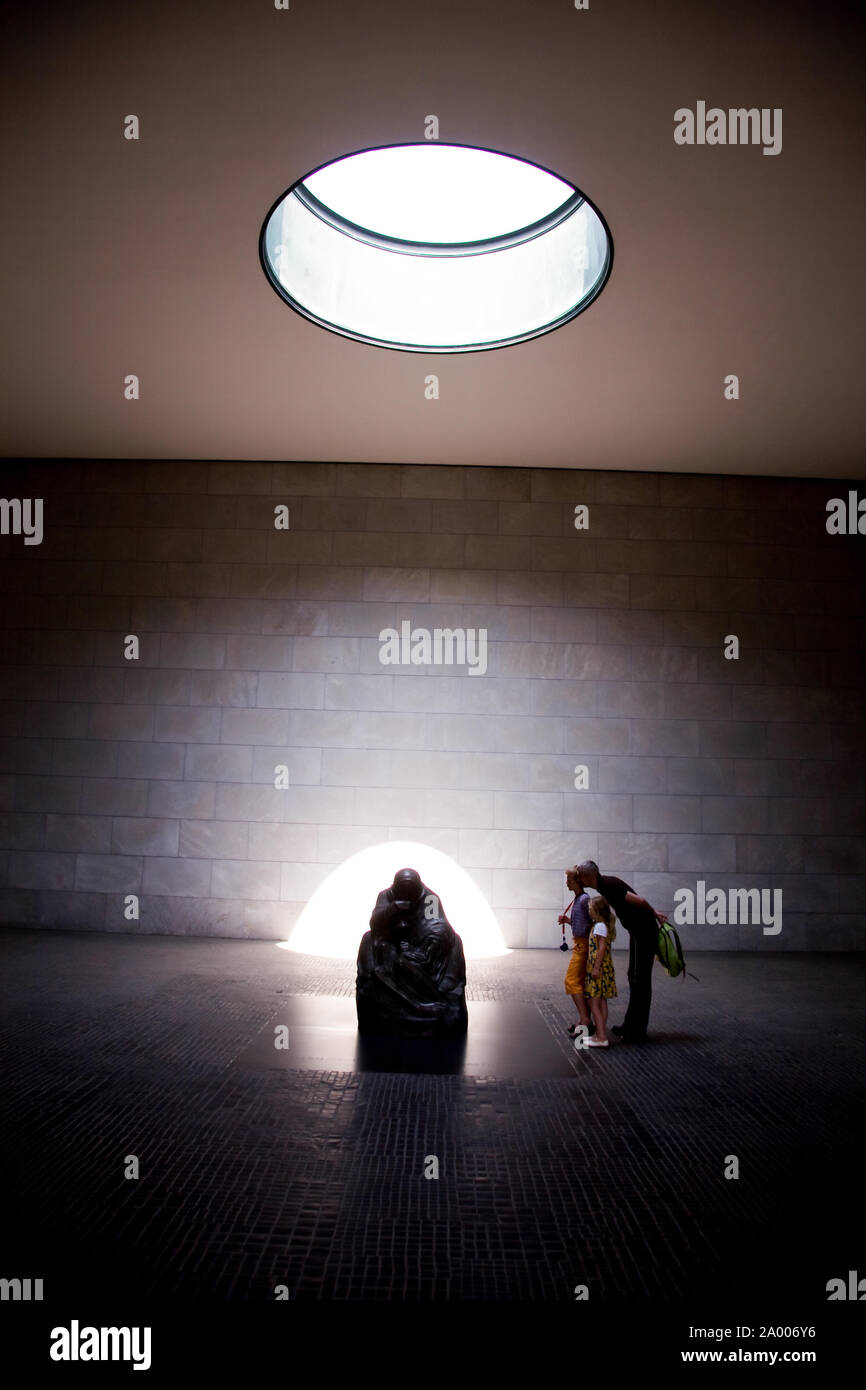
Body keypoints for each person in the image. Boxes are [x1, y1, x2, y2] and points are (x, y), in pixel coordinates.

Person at [356, 867, 468, 1036]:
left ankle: (432, 999)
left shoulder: (429, 899)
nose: (407, 895)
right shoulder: (386, 897)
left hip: (420, 946)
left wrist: (422, 948)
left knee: (451, 943)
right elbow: (375, 923)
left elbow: (437, 926)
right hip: (391, 942)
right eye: (402, 890)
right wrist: (393, 908)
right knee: (370, 943)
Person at [575, 860, 668, 1044]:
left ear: (590, 875)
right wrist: (653, 912)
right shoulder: (605, 886)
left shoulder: (609, 885)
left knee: (639, 979)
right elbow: (636, 899)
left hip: (643, 933)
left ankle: (637, 1031)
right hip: (639, 932)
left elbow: (640, 901)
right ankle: (630, 1025)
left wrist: (654, 914)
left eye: (581, 876)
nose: (579, 879)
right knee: (634, 977)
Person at [558, 867, 595, 1039]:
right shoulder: (580, 899)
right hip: (580, 944)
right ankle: (585, 1020)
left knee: (571, 981)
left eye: (569, 880)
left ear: (577, 882)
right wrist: (568, 921)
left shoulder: (583, 899)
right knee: (579, 983)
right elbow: (583, 923)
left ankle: (585, 1021)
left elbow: (593, 922)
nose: (567, 883)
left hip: (583, 946)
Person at [583, 895, 618, 1047]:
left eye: (590, 909)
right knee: (602, 1001)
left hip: (598, 968)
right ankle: (600, 1033)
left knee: (594, 1002)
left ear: (597, 911)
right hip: (604, 967)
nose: (588, 911)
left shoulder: (599, 926)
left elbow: (601, 947)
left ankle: (602, 1037)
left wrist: (596, 967)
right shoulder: (603, 925)